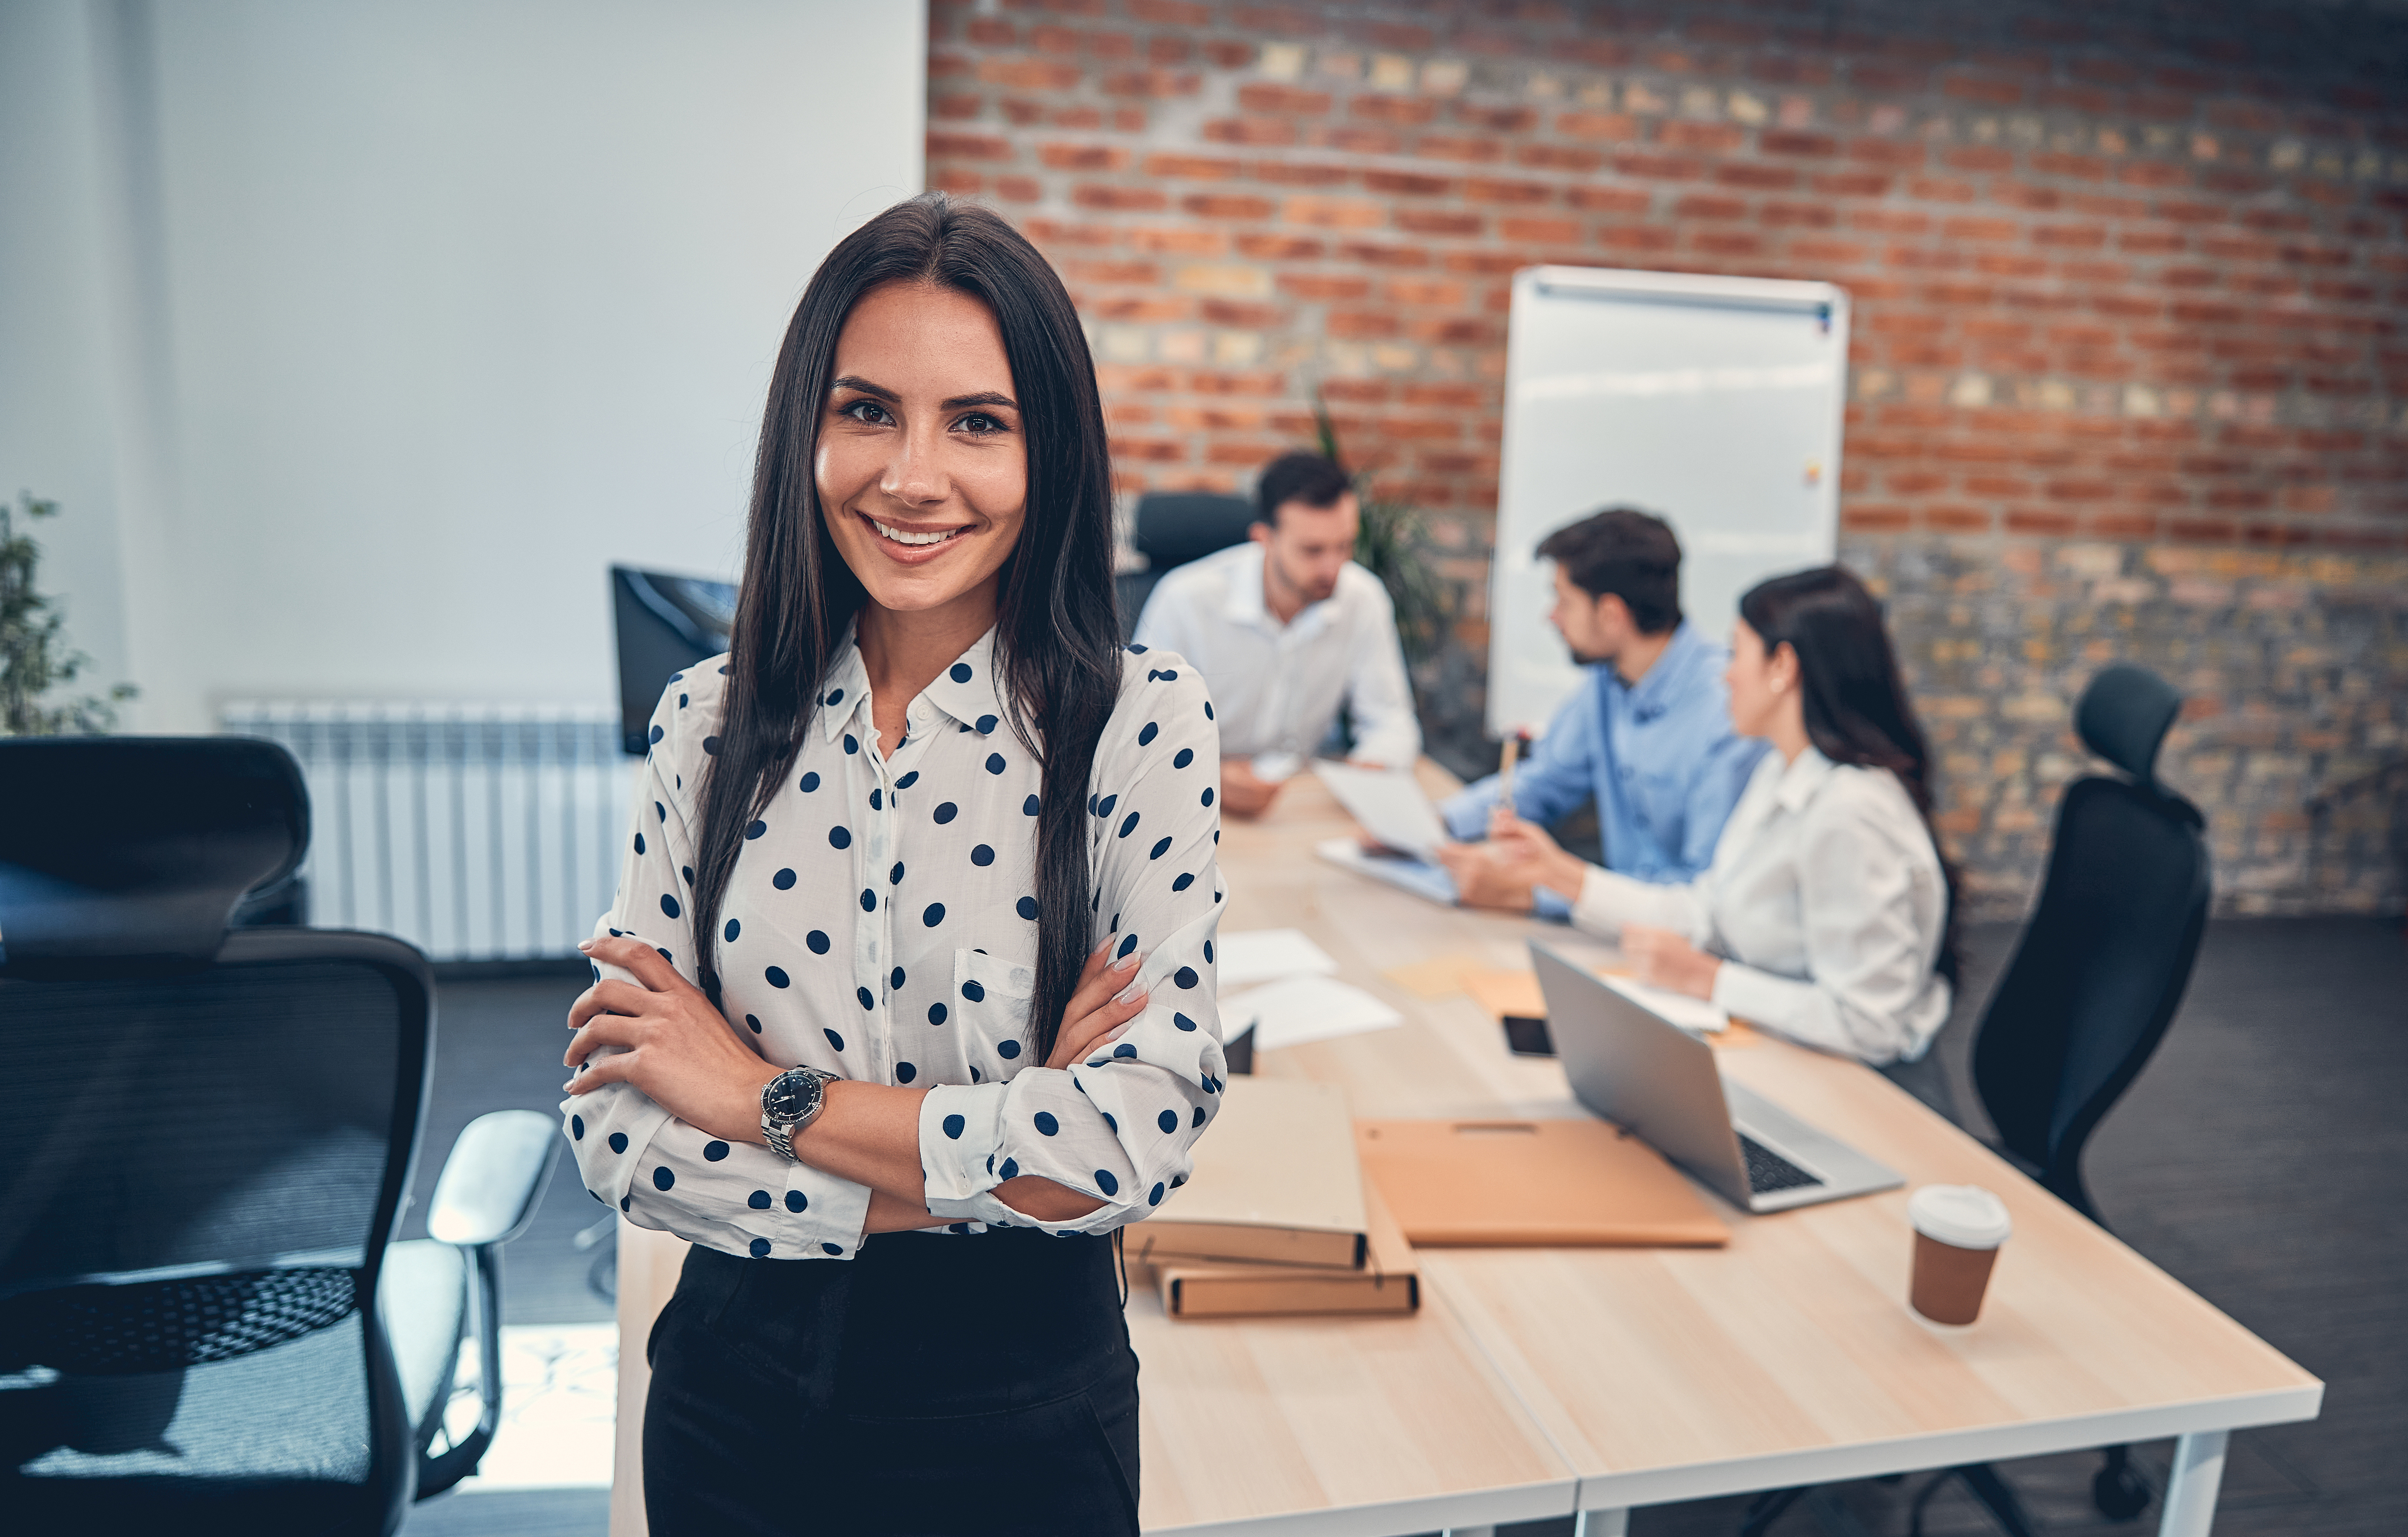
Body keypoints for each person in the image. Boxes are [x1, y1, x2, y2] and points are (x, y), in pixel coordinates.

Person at [559, 193, 1226, 1536]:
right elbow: (618, 1132)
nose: (911, 476)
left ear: (1052, 454)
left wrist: (756, 1092)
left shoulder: (1138, 723)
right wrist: (1003, 1151)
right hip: (729, 1394)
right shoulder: (708, 720)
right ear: (808, 429)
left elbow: (1135, 1134)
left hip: (1022, 1405)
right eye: (868, 410)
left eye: (978, 422)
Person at [1482, 565, 1958, 1068]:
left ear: (1783, 667)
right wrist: (1560, 874)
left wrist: (1707, 980)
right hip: (1789, 1054)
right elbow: (1708, 912)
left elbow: (1869, 1025)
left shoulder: (1851, 812)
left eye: (1737, 653)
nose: (1725, 674)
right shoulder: (1781, 768)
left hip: (1867, 1091)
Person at [1434, 508, 1763, 914]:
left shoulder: (1728, 712)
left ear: (1611, 616)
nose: (1551, 617)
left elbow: (1702, 891)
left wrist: (1533, 893)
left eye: (1564, 601)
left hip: (1675, 942)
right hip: (1614, 928)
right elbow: (1547, 780)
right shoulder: (1607, 683)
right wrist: (1437, 826)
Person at [1131, 450, 1419, 817]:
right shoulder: (1187, 600)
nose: (1333, 568)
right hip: (1196, 803)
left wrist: (1373, 766)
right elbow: (1141, 736)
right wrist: (1207, 777)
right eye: (1312, 551)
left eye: (1344, 546)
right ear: (1263, 539)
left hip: (1302, 802)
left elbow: (1391, 721)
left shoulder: (1363, 599)